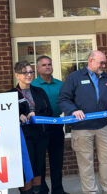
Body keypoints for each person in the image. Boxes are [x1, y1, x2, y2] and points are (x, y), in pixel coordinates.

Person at [58, 50, 107, 194]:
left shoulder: (106, 78)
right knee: (85, 162)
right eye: (101, 62)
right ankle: (91, 192)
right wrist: (73, 110)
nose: (104, 66)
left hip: (102, 126)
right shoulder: (74, 77)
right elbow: (63, 99)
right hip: (82, 128)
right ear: (90, 61)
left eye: (105, 63)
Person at [9, 61, 53, 194]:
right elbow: (4, 116)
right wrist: (17, 116)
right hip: (23, 138)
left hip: (40, 135)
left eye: (31, 72)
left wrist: (37, 114)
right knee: (26, 167)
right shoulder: (11, 94)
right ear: (17, 75)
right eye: (25, 72)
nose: (29, 75)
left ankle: (38, 190)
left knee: (38, 166)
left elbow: (49, 112)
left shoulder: (39, 91)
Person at [31, 56, 68, 194]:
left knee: (57, 161)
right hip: (39, 128)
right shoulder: (33, 85)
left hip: (56, 125)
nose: (47, 67)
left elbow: (68, 101)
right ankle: (42, 190)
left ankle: (58, 190)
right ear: (38, 68)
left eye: (49, 64)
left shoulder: (60, 84)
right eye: (44, 65)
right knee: (40, 161)